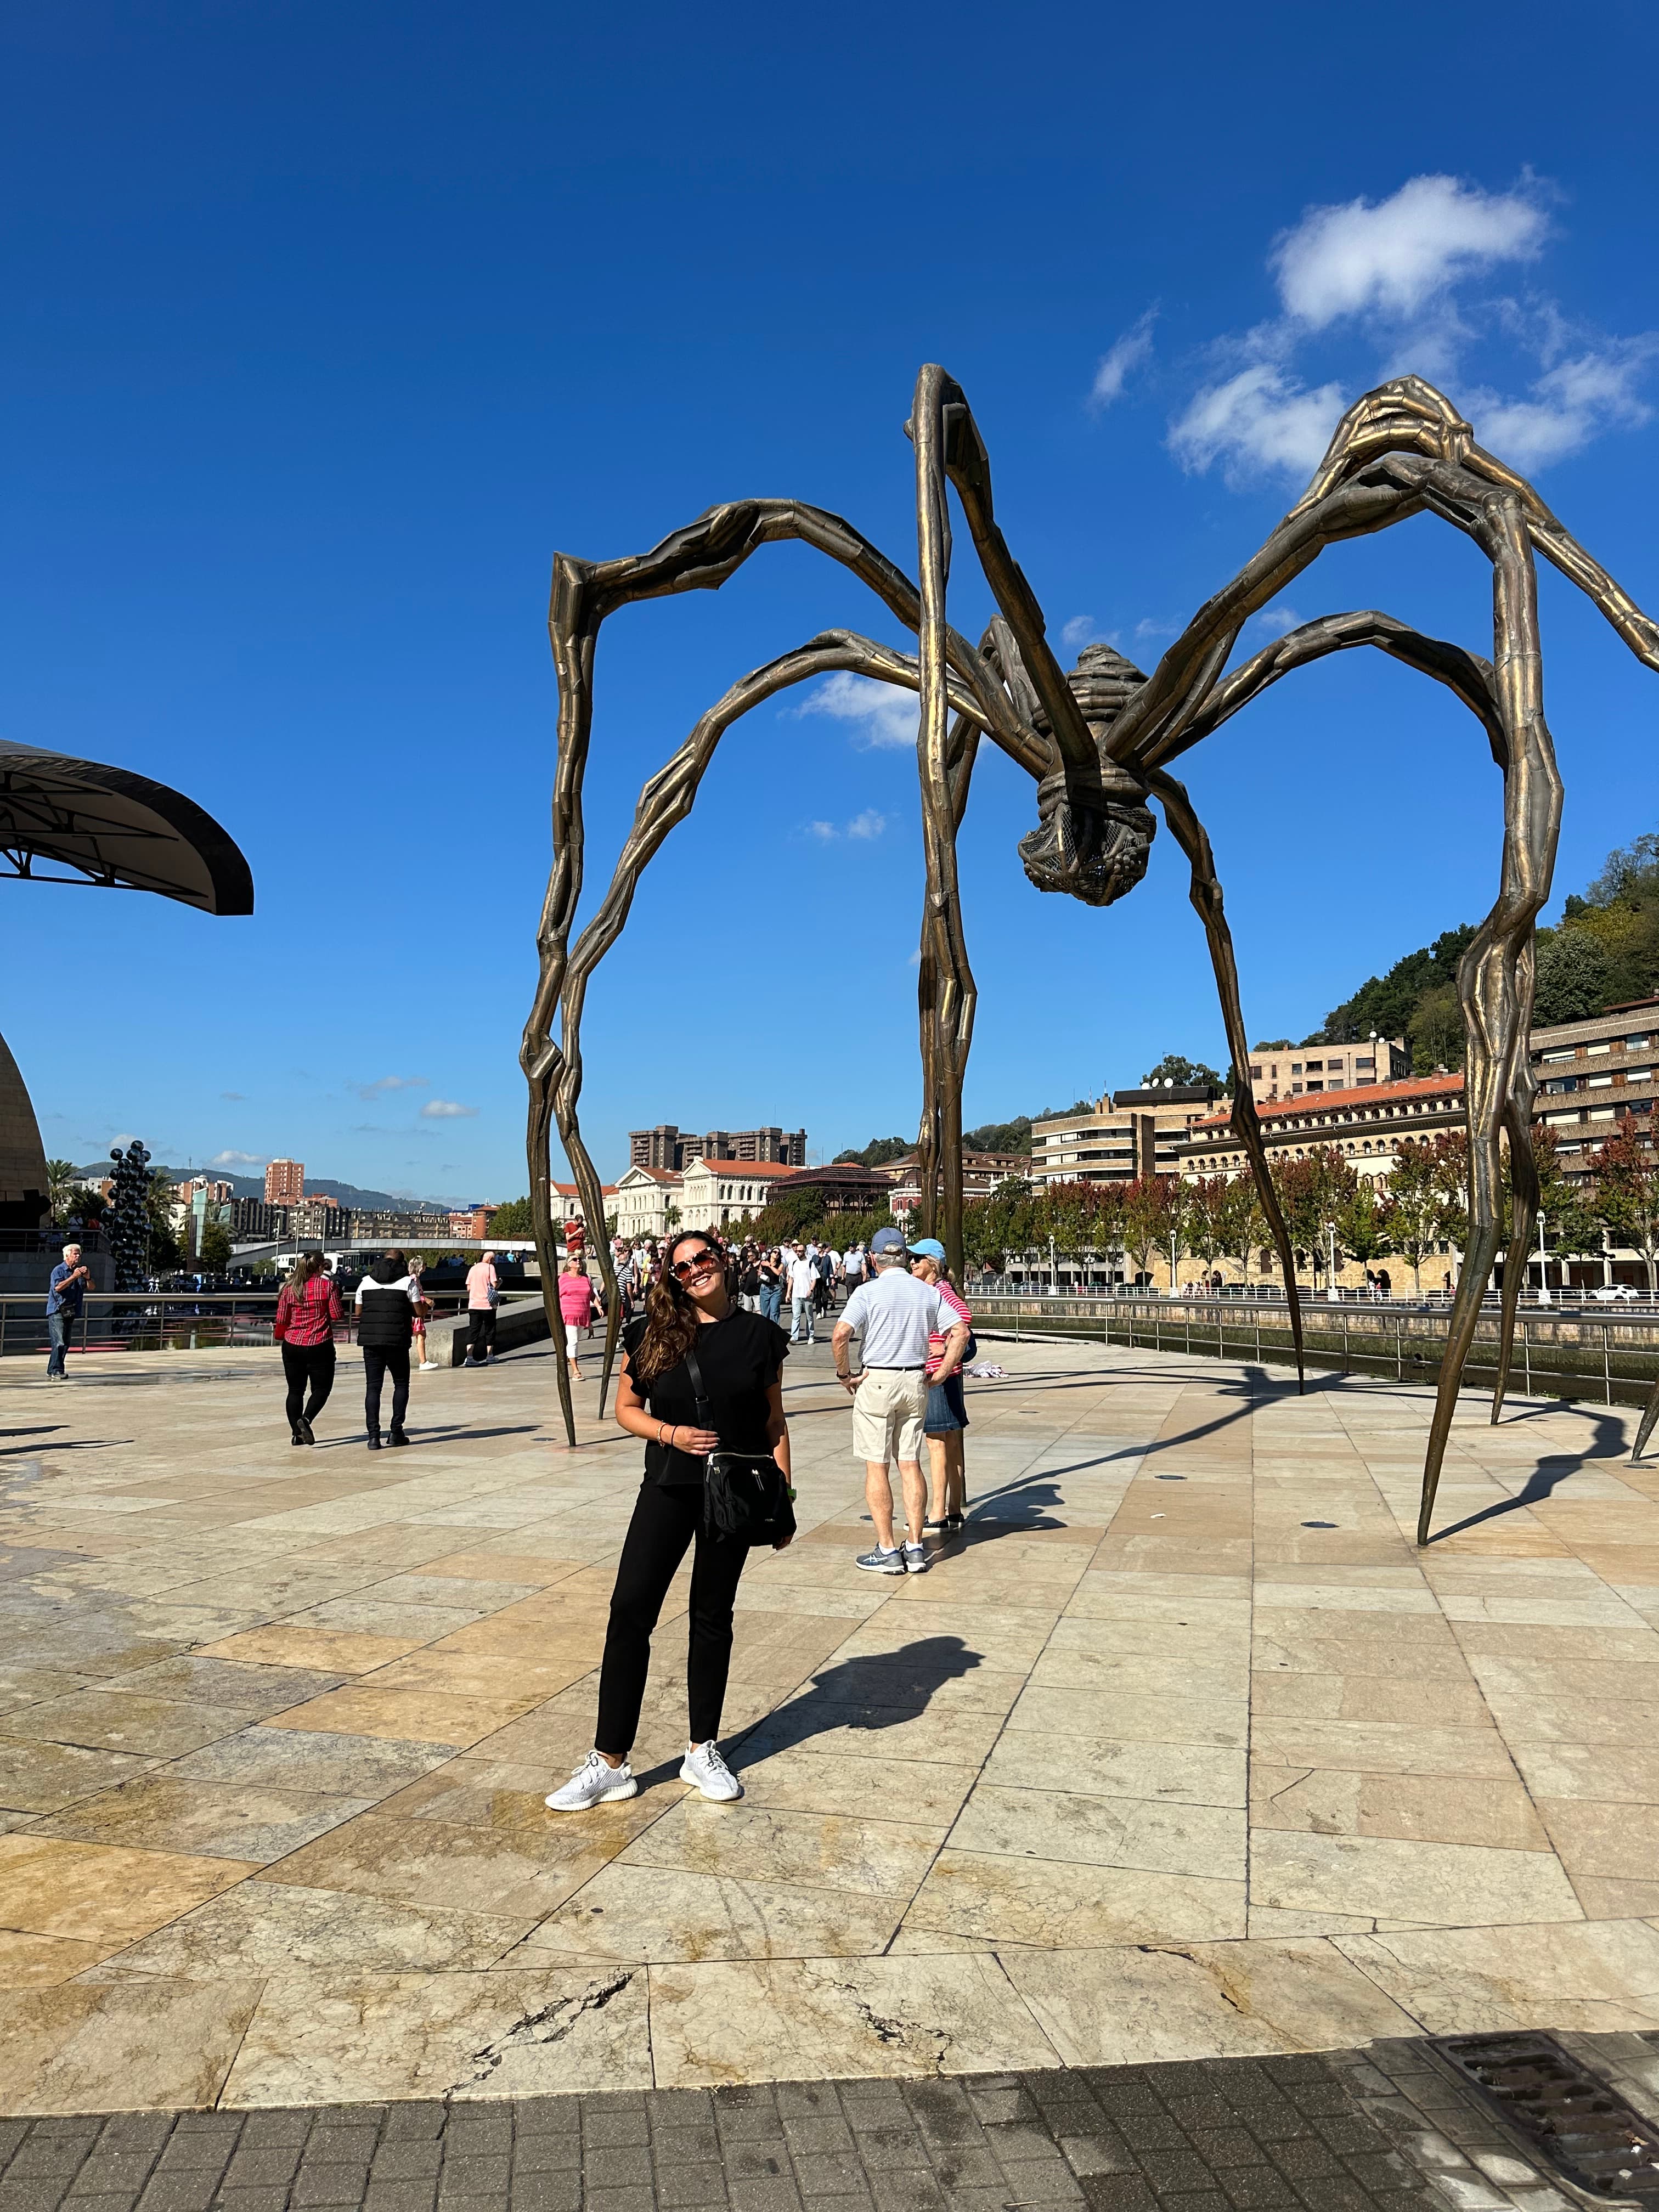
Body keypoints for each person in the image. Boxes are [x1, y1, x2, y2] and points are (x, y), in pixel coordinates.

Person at [544, 1229, 793, 1813]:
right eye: (681, 1268)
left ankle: (701, 1748)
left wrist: (784, 1499)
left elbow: (774, 1425)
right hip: (667, 1486)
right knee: (630, 1609)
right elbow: (626, 1409)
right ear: (673, 1280)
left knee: (713, 1616)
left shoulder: (760, 1336)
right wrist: (671, 1434)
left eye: (702, 1260)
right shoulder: (652, 1333)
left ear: (723, 1261)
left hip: (731, 1496)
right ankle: (610, 1761)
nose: (695, 1272)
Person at [833, 1226, 968, 1575]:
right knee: (910, 1463)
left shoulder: (867, 1292)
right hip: (915, 1379)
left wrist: (845, 1375)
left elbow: (841, 1334)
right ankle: (917, 1548)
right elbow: (961, 1332)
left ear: (875, 1259)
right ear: (906, 1257)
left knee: (877, 1465)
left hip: (878, 1377)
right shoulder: (926, 1292)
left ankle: (888, 1549)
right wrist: (940, 1374)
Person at [908, 1238, 972, 1536]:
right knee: (952, 1440)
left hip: (938, 1374)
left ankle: (937, 1512)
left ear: (932, 1263)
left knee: (936, 1441)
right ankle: (955, 1508)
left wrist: (943, 1347)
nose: (912, 1263)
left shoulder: (938, 1290)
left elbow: (964, 1320)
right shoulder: (940, 1288)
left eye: (918, 1258)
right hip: (951, 1372)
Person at [274, 1252, 343, 1444]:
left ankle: (297, 1434)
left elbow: (281, 1320)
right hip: (320, 1344)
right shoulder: (327, 1286)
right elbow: (337, 1315)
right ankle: (306, 1420)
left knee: (295, 1390)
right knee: (321, 1389)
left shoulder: (289, 1289)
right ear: (321, 1267)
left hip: (292, 1344)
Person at [354, 1251, 420, 1449]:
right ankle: (396, 1431)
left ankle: (373, 1436)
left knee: (373, 1387)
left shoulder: (366, 1282)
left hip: (371, 1341)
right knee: (401, 1384)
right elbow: (418, 1311)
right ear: (403, 1264)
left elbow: (358, 1311)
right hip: (397, 1341)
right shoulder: (408, 1283)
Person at [45, 1244, 91, 1380]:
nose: (78, 1256)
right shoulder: (58, 1270)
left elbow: (92, 1287)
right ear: (67, 1255)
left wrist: (88, 1277)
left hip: (71, 1311)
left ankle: (53, 1369)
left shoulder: (80, 1272)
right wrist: (74, 1277)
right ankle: (56, 1370)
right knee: (58, 1342)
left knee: (65, 1343)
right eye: (75, 1254)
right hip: (57, 1311)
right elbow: (58, 1288)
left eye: (79, 1254)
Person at [558, 1256, 595, 1384]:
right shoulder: (563, 1278)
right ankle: (576, 1371)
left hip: (583, 1314)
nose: (578, 1261)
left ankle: (568, 1360)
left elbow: (591, 1294)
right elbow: (557, 1296)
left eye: (579, 1259)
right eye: (575, 1260)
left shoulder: (586, 1278)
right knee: (573, 1341)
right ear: (569, 1264)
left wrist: (599, 1306)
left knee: (575, 1341)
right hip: (569, 1314)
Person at [464, 1249, 500, 1365]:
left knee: (473, 1330)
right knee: (490, 1330)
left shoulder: (473, 1269)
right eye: (493, 1260)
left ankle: (469, 1357)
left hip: (474, 1304)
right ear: (490, 1260)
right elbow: (494, 1285)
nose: (494, 1262)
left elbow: (468, 1288)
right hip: (487, 1305)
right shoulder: (490, 1268)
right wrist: (500, 1282)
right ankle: (490, 1355)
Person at [787, 1243, 819, 1344]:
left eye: (800, 1251)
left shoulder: (810, 1263)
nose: (798, 1253)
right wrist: (788, 1293)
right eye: (797, 1251)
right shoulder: (794, 1263)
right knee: (796, 1316)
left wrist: (811, 1290)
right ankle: (794, 1337)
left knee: (809, 1316)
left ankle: (811, 1335)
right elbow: (791, 1279)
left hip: (807, 1294)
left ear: (804, 1252)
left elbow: (814, 1279)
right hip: (796, 1294)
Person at [757, 1250, 782, 1325]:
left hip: (776, 1289)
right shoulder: (764, 1263)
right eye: (775, 1252)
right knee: (765, 1313)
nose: (777, 1254)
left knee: (774, 1311)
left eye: (779, 1253)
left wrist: (770, 1266)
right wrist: (760, 1273)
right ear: (771, 1253)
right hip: (765, 1288)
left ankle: (775, 1331)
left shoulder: (780, 1264)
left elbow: (778, 1273)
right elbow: (759, 1272)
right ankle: (766, 1331)